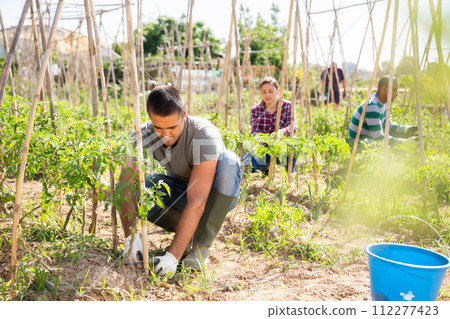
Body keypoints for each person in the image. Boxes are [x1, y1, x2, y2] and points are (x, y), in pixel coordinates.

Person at [119, 85, 242, 278]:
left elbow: (198, 200)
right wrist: (131, 237)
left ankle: (200, 247)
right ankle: (188, 232)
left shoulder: (204, 135)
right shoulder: (141, 134)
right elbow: (124, 187)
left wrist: (172, 257)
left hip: (211, 195)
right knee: (144, 190)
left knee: (230, 162)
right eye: (158, 128)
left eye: (172, 127)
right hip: (179, 190)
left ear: (184, 115)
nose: (165, 134)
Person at [243, 76, 297, 175]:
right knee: (248, 162)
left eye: (271, 91)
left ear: (278, 91)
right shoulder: (256, 110)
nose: (267, 94)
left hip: (281, 147)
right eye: (263, 92)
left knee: (293, 141)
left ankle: (289, 173)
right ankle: (265, 170)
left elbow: (293, 126)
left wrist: (281, 133)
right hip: (264, 147)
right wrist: (260, 139)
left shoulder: (287, 106)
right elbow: (254, 131)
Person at [348, 76, 418, 145]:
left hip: (369, 140)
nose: (397, 94)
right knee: (393, 147)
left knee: (400, 136)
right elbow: (379, 138)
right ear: (384, 89)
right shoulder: (372, 106)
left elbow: (387, 124)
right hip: (359, 145)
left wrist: (407, 129)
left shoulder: (382, 103)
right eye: (394, 90)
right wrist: (406, 143)